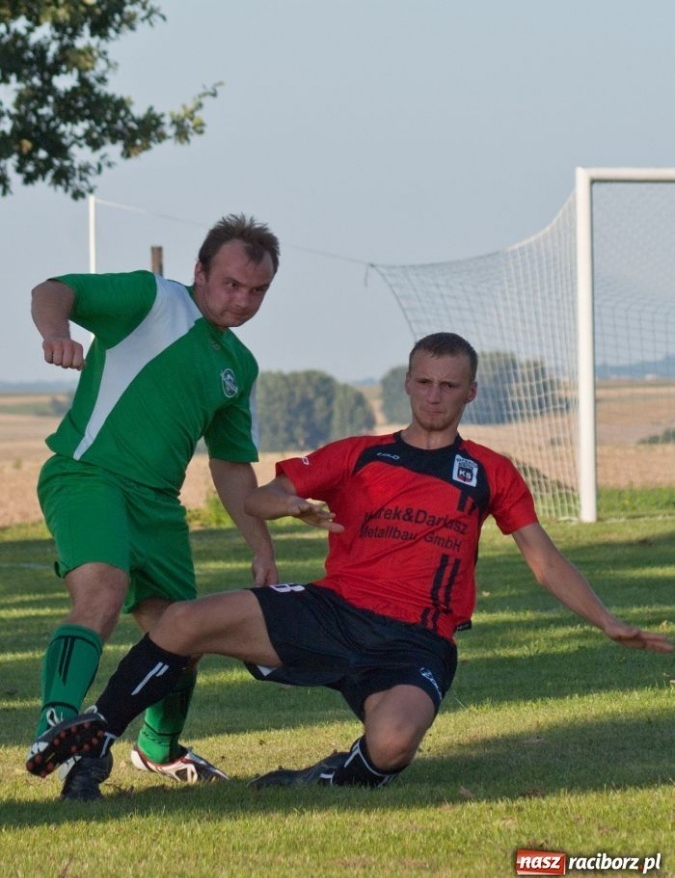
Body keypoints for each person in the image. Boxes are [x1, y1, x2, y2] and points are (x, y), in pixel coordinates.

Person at [26, 332, 673, 792]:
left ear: (470, 393)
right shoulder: (359, 454)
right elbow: (257, 495)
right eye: (422, 382)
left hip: (414, 641)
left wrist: (607, 621)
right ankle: (100, 735)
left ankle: (336, 775)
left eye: (448, 385)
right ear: (406, 383)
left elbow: (543, 559)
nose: (433, 395)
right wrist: (291, 507)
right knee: (183, 621)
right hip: (330, 612)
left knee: (393, 745)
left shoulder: (487, 472)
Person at [28, 213, 280, 801]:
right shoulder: (153, 297)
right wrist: (55, 331)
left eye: (257, 291)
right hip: (89, 476)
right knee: (102, 594)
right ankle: (57, 731)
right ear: (200, 271)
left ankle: (160, 752)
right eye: (231, 284)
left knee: (182, 636)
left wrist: (261, 547)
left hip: (159, 508)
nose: (241, 300)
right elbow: (52, 290)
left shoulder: (238, 366)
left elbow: (231, 464)